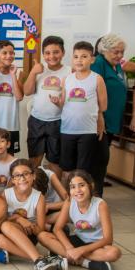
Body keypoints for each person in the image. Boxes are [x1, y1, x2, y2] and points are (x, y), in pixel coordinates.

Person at [38, 170, 121, 270]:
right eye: (73, 187)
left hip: (96, 244)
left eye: (81, 185)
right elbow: (57, 228)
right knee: (42, 236)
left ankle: (65, 255)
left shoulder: (100, 205)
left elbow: (108, 239)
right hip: (78, 239)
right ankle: (85, 263)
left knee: (114, 253)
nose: (77, 190)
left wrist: (81, 250)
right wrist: (69, 248)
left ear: (91, 186)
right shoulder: (69, 201)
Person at [0, 160, 61, 270]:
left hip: (30, 235)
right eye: (17, 175)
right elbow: (0, 217)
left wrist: (28, 224)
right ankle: (41, 259)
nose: (22, 178)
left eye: (26, 174)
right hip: (11, 235)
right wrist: (19, 219)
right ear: (13, 180)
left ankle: (39, 260)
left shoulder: (39, 197)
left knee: (5, 226)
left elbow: (40, 230)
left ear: (33, 176)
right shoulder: (6, 194)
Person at [52, 41, 107, 176]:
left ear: (92, 59)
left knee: (84, 170)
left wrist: (100, 121)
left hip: (87, 131)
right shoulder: (67, 79)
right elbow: (63, 104)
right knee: (66, 169)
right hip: (67, 130)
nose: (79, 60)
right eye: (76, 57)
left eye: (84, 56)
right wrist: (57, 102)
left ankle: (82, 196)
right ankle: (67, 196)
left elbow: (103, 106)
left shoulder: (97, 79)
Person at [92, 34, 135, 196]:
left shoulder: (116, 65)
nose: (119, 55)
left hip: (112, 119)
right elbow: (94, 93)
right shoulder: (99, 64)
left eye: (121, 52)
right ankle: (96, 195)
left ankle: (96, 194)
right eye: (115, 52)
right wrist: (99, 117)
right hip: (100, 120)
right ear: (104, 51)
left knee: (102, 157)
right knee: (100, 158)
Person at [24, 36, 70, 177]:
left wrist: (60, 101)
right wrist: (33, 72)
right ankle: (32, 193)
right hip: (37, 120)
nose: (52, 56)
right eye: (48, 53)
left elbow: (72, 99)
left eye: (56, 52)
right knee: (34, 159)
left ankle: (55, 194)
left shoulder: (70, 72)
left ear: (63, 52)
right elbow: (27, 91)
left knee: (55, 162)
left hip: (58, 122)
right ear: (43, 54)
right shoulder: (39, 70)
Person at [0, 40, 23, 154]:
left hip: (11, 124)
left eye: (11, 53)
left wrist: (12, 75)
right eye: (4, 53)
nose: (8, 56)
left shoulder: (19, 72)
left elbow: (19, 97)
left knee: (10, 155)